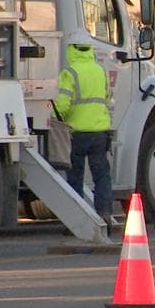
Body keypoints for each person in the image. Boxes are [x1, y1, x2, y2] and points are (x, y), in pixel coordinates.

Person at [53, 35, 115, 229]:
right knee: (102, 176)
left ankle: (77, 221)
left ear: (71, 49)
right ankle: (104, 212)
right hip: (99, 132)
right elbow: (107, 98)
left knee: (75, 178)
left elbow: (62, 104)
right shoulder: (100, 71)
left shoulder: (69, 73)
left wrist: (52, 116)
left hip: (76, 133)